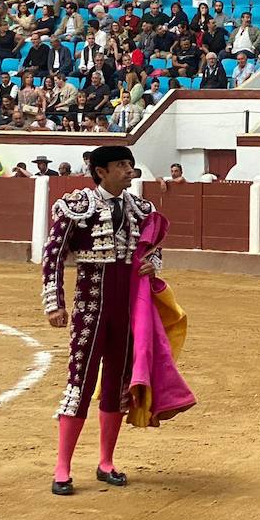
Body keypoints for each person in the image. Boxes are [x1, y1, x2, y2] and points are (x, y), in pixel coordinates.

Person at [40, 145, 161, 496]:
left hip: (128, 310)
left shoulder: (142, 209)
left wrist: (155, 266)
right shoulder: (76, 206)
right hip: (91, 307)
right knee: (80, 382)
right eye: (121, 165)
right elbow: (53, 257)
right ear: (101, 171)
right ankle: (62, 467)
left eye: (130, 164)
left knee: (118, 382)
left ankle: (106, 461)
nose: (129, 170)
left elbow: (154, 252)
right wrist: (54, 303)